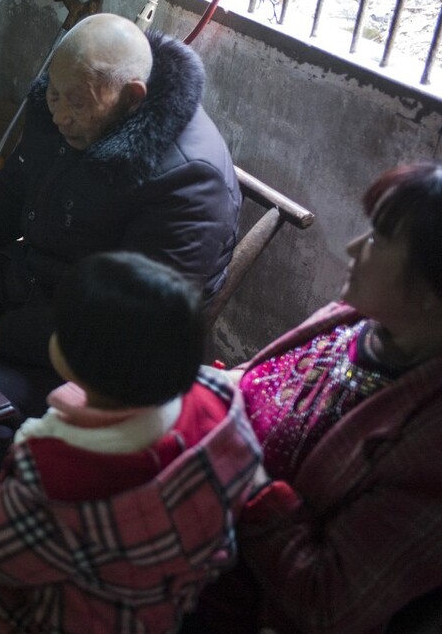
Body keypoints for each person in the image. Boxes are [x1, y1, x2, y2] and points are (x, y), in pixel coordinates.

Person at [0, 13, 240, 414]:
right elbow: (15, 183)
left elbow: (130, 319)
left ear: (131, 98)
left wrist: (8, 336)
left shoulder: (189, 181)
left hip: (96, 341)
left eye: (76, 103)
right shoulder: (72, 103)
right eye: (54, 94)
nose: (58, 116)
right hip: (34, 278)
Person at [0, 252, 263, 634]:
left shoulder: (50, 463)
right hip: (167, 599)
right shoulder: (217, 399)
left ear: (73, 360)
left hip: (71, 614)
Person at [187, 161, 442, 634]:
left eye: (378, 239)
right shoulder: (355, 320)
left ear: (432, 289)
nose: (353, 248)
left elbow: (325, 601)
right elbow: (257, 379)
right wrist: (197, 388)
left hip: (239, 604)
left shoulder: (428, 447)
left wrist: (244, 473)